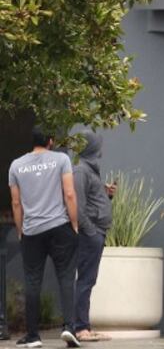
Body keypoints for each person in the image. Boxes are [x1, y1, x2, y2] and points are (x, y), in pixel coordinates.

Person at [8, 128, 80, 349]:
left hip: (32, 231)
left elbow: (16, 203)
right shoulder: (61, 159)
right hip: (60, 227)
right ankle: (69, 327)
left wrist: (21, 230)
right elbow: (69, 194)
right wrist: (74, 224)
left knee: (32, 282)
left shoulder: (16, 165)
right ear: (51, 141)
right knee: (66, 278)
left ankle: (33, 336)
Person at [71, 133, 114, 344]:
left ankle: (84, 326)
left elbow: (92, 201)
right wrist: (91, 232)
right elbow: (78, 208)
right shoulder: (81, 171)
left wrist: (108, 195)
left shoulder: (90, 171)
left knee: (89, 279)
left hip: (96, 232)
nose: (102, 151)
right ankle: (80, 328)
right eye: (99, 146)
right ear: (92, 148)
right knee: (86, 280)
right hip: (92, 233)